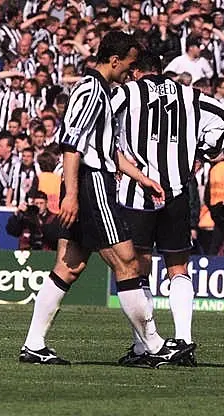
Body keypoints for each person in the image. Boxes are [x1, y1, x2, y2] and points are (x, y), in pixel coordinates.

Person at [19, 32, 195, 367]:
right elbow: (71, 145)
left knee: (69, 266)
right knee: (127, 261)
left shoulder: (104, 92)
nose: (131, 71)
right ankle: (154, 345)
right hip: (91, 184)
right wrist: (71, 195)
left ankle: (33, 344)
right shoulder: (91, 90)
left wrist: (143, 179)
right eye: (129, 64)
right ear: (114, 60)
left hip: (91, 181)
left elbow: (110, 150)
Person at [111, 50, 224, 366]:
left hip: (137, 191)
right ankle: (184, 340)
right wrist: (204, 153)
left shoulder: (127, 92)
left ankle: (144, 346)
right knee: (178, 266)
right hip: (177, 189)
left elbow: (103, 121)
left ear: (137, 70)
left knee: (134, 267)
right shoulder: (189, 94)